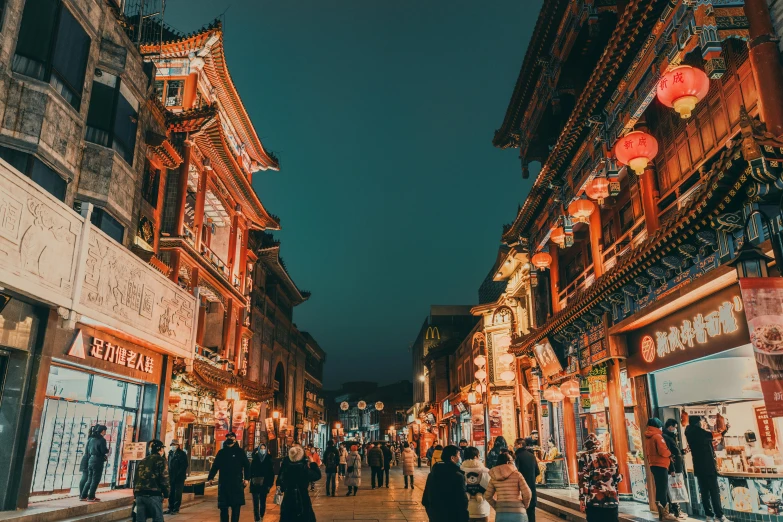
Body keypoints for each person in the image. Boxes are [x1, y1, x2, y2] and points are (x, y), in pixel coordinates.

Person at [685, 415, 731, 522]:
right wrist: (726, 430)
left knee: (704, 492)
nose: (702, 423)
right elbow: (716, 435)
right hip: (708, 466)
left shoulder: (689, 432)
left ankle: (709, 515)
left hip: (698, 466)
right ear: (697, 423)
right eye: (701, 422)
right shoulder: (699, 432)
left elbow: (706, 440)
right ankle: (719, 516)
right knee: (714, 491)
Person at [577, 433, 622, 522]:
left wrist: (582, 499)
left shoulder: (585, 457)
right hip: (611, 499)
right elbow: (618, 477)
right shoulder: (611, 456)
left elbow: (583, 480)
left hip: (594, 500)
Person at [207, 432, 250, 522]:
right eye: (228, 437)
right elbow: (215, 465)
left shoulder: (240, 452)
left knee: (236, 508)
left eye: (232, 437)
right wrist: (211, 477)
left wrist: (246, 479)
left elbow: (247, 466)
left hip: (236, 483)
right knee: (223, 508)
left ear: (235, 439)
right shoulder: (221, 452)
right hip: (224, 483)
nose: (230, 438)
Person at [422, 445, 469, 522]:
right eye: (458, 455)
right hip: (453, 516)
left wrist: (432, 514)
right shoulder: (458, 476)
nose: (459, 458)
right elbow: (462, 501)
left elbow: (425, 499)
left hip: (436, 516)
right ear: (452, 458)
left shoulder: (433, 474)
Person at [645, 418, 678, 521]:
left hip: (653, 464)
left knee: (659, 488)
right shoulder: (658, 436)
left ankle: (661, 514)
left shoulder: (648, 437)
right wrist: (670, 454)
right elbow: (663, 451)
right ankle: (665, 515)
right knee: (663, 489)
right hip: (661, 464)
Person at [485, 452, 531, 522]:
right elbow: (527, 493)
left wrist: (497, 506)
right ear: (508, 462)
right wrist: (524, 505)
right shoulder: (517, 475)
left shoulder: (494, 477)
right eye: (512, 461)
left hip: (501, 513)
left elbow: (487, 495)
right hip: (518, 512)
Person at [278, 446, 320, 522]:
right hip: (302, 498)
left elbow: (281, 483)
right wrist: (313, 463)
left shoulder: (286, 469)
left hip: (288, 498)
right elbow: (317, 475)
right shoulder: (303, 469)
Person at [133, 439, 170, 522]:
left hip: (140, 494)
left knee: (140, 519)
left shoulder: (143, 460)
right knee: (157, 518)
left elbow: (136, 479)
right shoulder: (161, 460)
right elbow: (164, 479)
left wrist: (135, 494)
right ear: (160, 449)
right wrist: (166, 494)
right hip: (154, 494)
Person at [663, 419, 688, 520]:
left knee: (675, 488)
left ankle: (676, 510)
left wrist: (682, 452)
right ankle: (675, 511)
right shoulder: (666, 437)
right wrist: (672, 468)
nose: (676, 429)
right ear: (670, 427)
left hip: (676, 467)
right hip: (673, 468)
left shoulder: (670, 437)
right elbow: (669, 454)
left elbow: (674, 452)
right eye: (675, 427)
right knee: (673, 488)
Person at [79, 424, 109, 501]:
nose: (105, 432)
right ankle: (91, 496)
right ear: (103, 431)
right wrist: (108, 451)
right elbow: (103, 451)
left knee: (89, 479)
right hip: (98, 460)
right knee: (95, 479)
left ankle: (83, 495)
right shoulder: (102, 440)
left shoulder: (92, 439)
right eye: (105, 431)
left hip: (91, 460)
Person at [461, 446, 490, 522]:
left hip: (465, 509)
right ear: (475, 457)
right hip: (482, 509)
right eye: (479, 455)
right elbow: (489, 489)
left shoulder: (460, 471)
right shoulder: (485, 471)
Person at [514, 438, 540, 522]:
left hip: (520, 489)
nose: (515, 446)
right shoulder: (532, 456)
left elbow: (515, 473)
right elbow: (537, 471)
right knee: (531, 513)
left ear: (520, 445)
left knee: (521, 514)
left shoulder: (517, 456)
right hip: (531, 487)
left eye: (516, 444)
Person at [249, 442, 274, 521]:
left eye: (264, 448)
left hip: (265, 483)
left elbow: (271, 473)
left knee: (262, 502)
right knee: (255, 503)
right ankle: (257, 518)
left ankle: (261, 515)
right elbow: (251, 470)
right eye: (261, 448)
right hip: (255, 483)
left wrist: (270, 484)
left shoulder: (269, 459)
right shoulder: (255, 458)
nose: (263, 450)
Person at [166, 439, 188, 515]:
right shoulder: (170, 453)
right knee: (171, 492)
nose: (173, 446)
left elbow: (184, 465)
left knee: (178, 493)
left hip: (179, 477)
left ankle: (176, 508)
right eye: (172, 445)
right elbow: (169, 465)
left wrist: (178, 475)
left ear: (178, 445)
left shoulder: (182, 454)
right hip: (171, 476)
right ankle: (170, 507)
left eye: (174, 445)